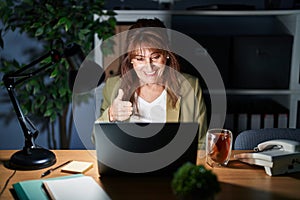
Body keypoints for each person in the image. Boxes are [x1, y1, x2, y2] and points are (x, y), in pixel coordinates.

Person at [96, 18, 207, 147]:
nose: (149, 67)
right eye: (140, 59)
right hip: (127, 165)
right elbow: (97, 141)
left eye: (155, 57)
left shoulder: (190, 87)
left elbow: (201, 143)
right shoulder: (113, 86)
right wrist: (111, 115)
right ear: (131, 60)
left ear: (166, 55)